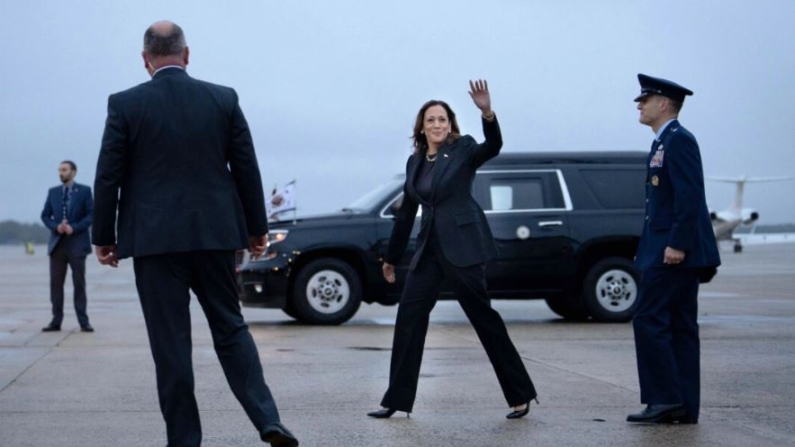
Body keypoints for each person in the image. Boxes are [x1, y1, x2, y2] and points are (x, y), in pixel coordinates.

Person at [92, 21, 298, 447]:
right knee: (231, 328)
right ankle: (268, 420)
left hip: (154, 242)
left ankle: (184, 441)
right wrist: (256, 230)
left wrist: (104, 235)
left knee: (170, 345)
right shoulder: (222, 99)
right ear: (187, 55)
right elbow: (246, 168)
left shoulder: (125, 104)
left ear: (145, 60)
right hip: (214, 236)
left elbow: (108, 175)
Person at [368, 80, 538, 420]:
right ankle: (396, 399)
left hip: (463, 246)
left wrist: (487, 112)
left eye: (442, 119)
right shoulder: (414, 163)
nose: (437, 125)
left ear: (450, 125)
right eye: (430, 120)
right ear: (421, 126)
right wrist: (393, 257)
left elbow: (494, 145)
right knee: (409, 318)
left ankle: (520, 394)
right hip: (428, 249)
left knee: (483, 318)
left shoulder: (464, 150)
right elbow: (405, 214)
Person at [627, 74, 721, 424]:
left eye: (645, 99)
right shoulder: (663, 142)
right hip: (666, 249)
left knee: (649, 319)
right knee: (679, 325)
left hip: (674, 252)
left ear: (663, 104)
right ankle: (681, 405)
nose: (639, 104)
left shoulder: (678, 141)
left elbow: (689, 194)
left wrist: (677, 244)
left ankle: (664, 399)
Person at [40, 160, 94, 332]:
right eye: (59, 170)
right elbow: (45, 215)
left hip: (77, 245)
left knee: (79, 283)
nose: (61, 173)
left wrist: (74, 227)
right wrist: (56, 226)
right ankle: (56, 320)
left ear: (73, 171)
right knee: (56, 284)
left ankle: (83, 321)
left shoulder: (85, 191)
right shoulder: (53, 192)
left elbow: (91, 215)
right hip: (58, 245)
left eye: (64, 170)